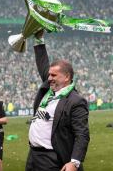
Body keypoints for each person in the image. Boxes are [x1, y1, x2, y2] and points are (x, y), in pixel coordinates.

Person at [25, 30, 90, 171]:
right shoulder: (49, 88)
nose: (49, 78)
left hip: (51, 158)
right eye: (49, 75)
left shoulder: (76, 101)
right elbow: (43, 63)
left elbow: (82, 134)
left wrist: (75, 162)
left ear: (66, 77)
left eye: (54, 75)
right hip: (33, 156)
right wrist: (39, 39)